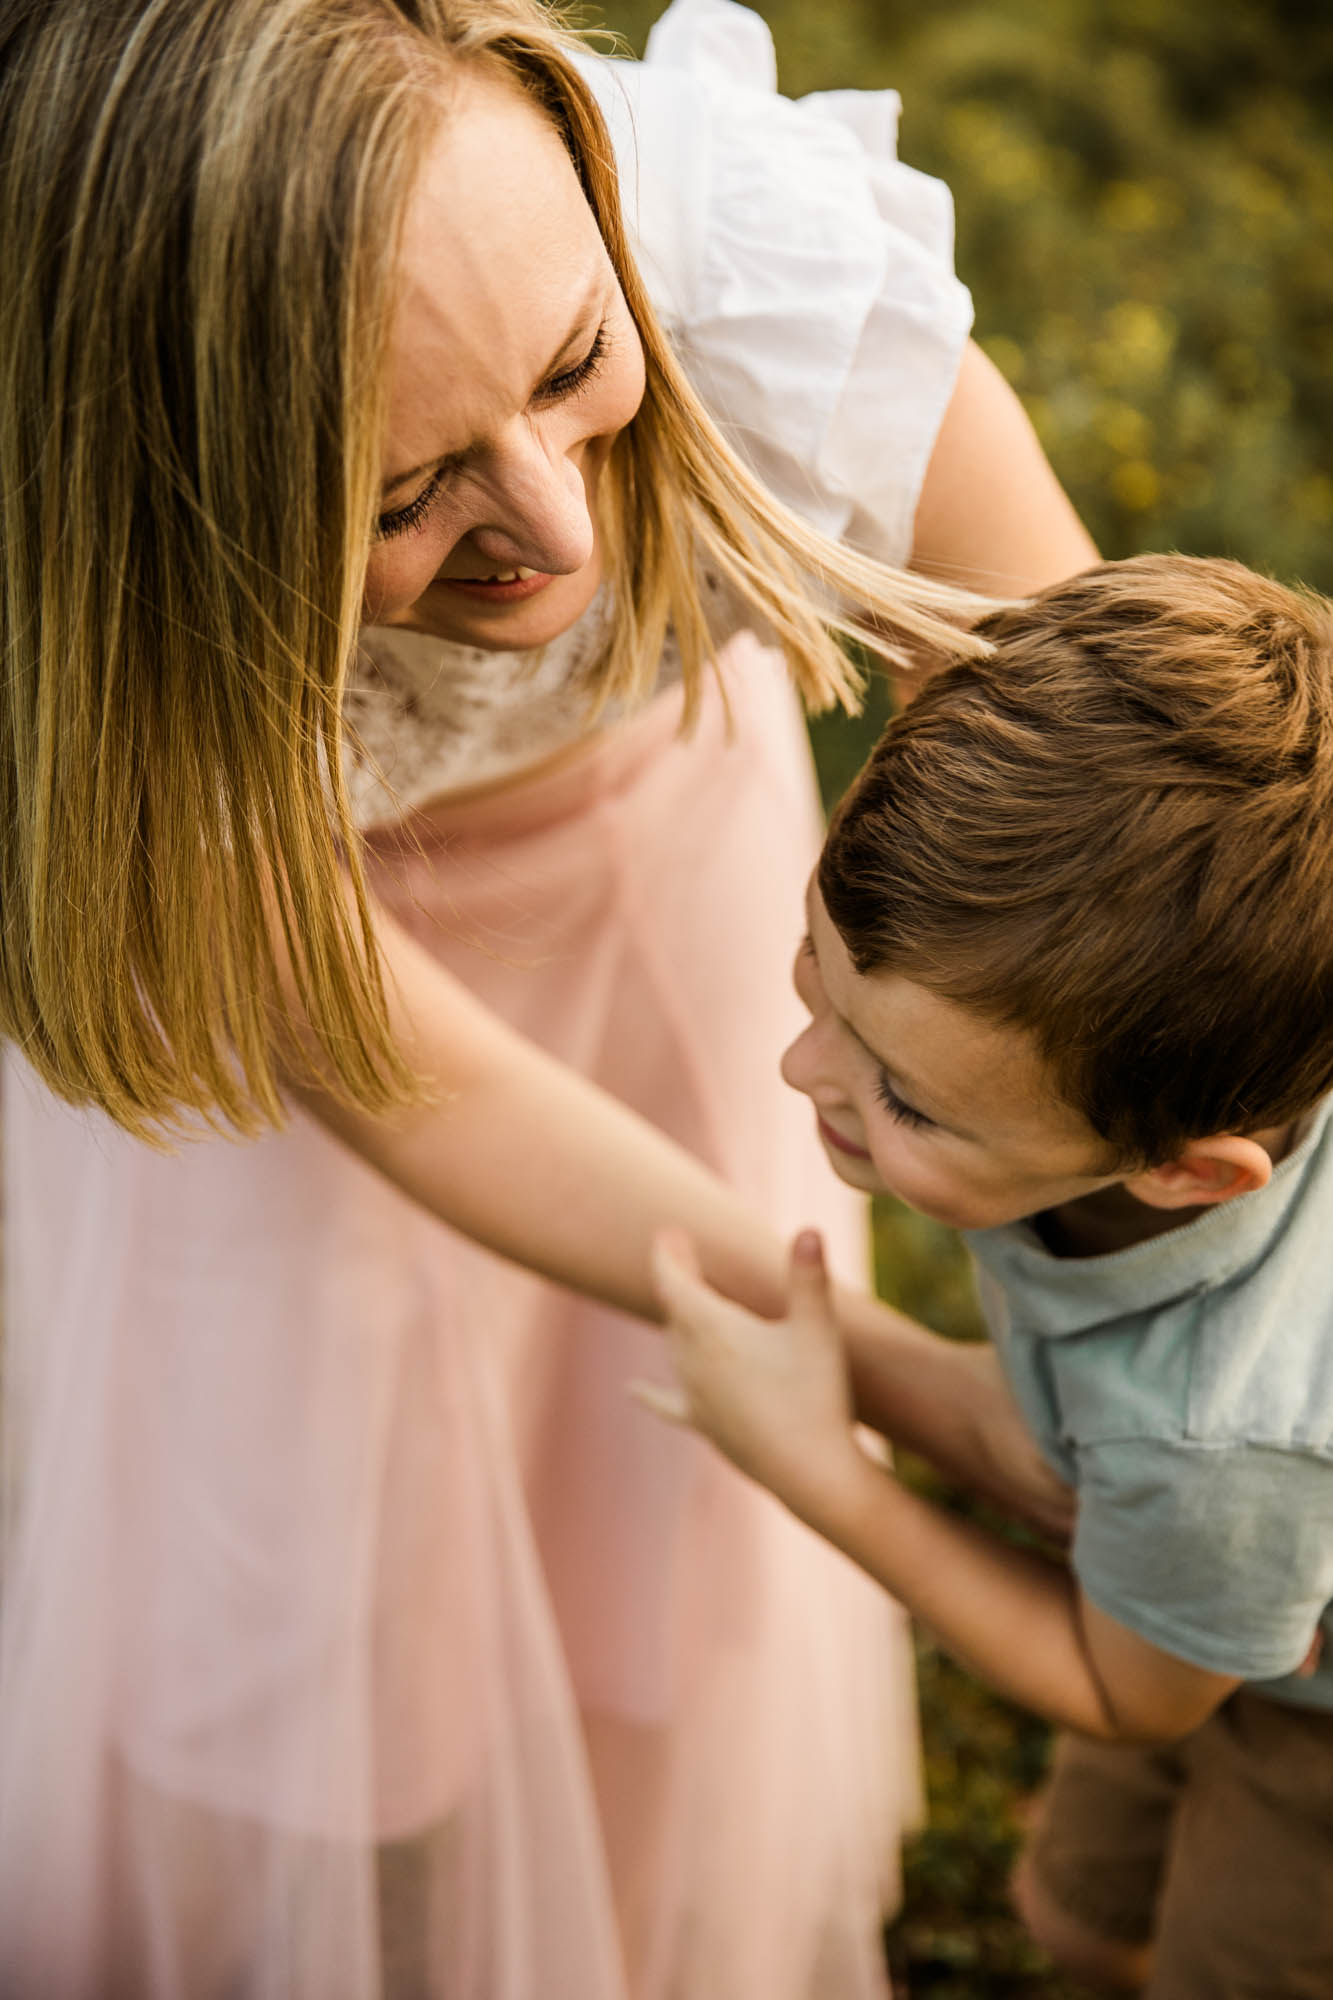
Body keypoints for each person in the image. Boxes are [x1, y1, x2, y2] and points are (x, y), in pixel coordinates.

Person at [0, 0, 1094, 1994]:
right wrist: (886, 1368)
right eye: (398, 498)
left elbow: (1059, 725)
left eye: (578, 370)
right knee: (309, 1624)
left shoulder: (716, 230)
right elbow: (391, 1069)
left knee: (648, 1553)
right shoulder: (70, 542)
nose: (563, 531)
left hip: (668, 892)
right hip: (292, 1049)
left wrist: (1079, 1264)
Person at [646, 552, 1333, 2000]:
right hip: (1195, 1575)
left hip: (1304, 1721)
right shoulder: (1109, 1068)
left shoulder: (1218, 1437)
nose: (800, 1071)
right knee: (1077, 1917)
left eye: (902, 1098)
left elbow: (1125, 1688)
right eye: (814, 973)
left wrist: (821, 1467)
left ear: (1184, 1172)